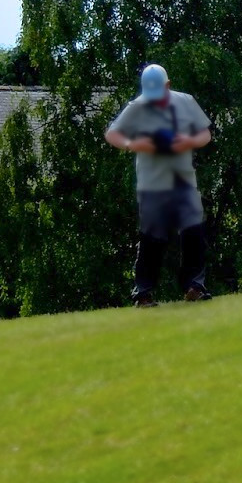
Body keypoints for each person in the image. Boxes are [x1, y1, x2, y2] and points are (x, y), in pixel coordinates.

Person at [104, 63, 215, 308]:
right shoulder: (137, 106)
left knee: (194, 233)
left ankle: (195, 287)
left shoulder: (186, 101)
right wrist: (134, 144)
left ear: (168, 85)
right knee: (152, 237)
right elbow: (112, 134)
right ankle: (143, 294)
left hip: (183, 180)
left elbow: (205, 135)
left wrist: (188, 141)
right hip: (151, 184)